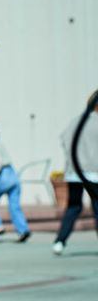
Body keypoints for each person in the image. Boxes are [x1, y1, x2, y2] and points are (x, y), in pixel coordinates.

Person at [53, 92, 98, 255]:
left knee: (73, 207)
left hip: (74, 173)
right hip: (93, 173)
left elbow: (64, 139)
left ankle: (59, 242)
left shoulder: (76, 121)